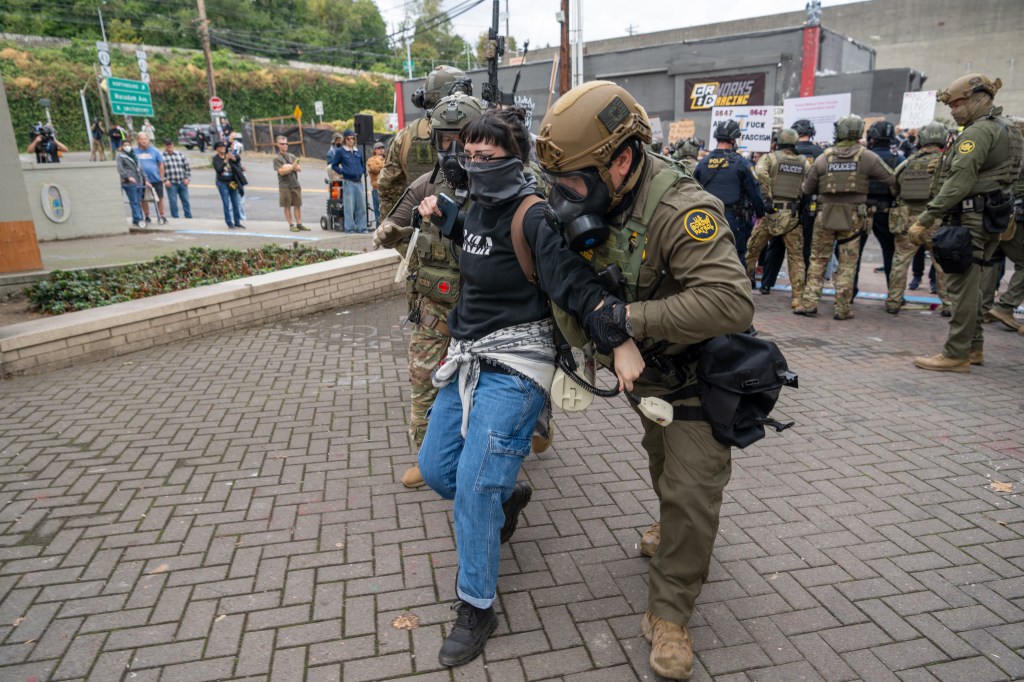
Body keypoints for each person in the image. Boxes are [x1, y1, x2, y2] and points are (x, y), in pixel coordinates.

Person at [535, 81, 755, 680]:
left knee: (691, 493)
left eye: (574, 184)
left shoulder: (681, 211)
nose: (564, 196)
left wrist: (625, 320)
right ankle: (669, 525)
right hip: (645, 380)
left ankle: (671, 613)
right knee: (661, 462)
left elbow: (731, 304)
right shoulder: (594, 194)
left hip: (693, 379)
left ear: (622, 161)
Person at [417, 105, 644, 668]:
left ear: (515, 160)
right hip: (467, 354)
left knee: (471, 488)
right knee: (436, 470)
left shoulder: (535, 216)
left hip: (518, 364)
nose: (473, 165)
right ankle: (509, 496)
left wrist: (618, 337)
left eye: (486, 157)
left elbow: (573, 283)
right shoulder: (472, 205)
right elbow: (472, 238)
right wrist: (441, 214)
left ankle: (476, 606)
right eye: (467, 156)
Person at [372, 92, 486, 489]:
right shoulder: (427, 183)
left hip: (488, 309)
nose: (454, 150)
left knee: (501, 384)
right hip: (436, 306)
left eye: (463, 139)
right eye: (444, 140)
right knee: (423, 381)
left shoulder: (501, 182)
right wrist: (392, 232)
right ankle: (426, 455)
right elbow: (393, 223)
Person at [909, 74, 1024, 372]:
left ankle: (956, 354)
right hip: (992, 217)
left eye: (957, 105)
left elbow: (959, 183)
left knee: (961, 288)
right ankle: (973, 348)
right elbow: (991, 172)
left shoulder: (977, 133)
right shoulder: (1008, 128)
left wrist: (924, 219)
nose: (954, 111)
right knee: (974, 287)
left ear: (977, 100)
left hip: (970, 219)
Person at [795, 114, 895, 320]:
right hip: (854, 217)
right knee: (848, 263)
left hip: (825, 215)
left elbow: (806, 188)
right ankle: (843, 307)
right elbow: (890, 178)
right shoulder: (867, 157)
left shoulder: (824, 157)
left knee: (818, 260)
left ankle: (809, 303)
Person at [378, 65, 472, 216]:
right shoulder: (480, 132)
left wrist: (395, 230)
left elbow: (388, 187)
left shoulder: (405, 136)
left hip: (423, 229)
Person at [886, 121, 950, 315]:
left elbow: (893, 187)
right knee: (942, 263)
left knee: (900, 261)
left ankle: (893, 301)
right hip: (936, 219)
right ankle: (948, 304)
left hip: (908, 218)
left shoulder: (908, 162)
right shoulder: (948, 162)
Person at [746, 128, 810, 308]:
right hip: (792, 215)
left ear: (778, 141)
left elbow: (759, 172)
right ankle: (798, 297)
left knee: (752, 250)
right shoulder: (803, 162)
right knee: (796, 258)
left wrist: (767, 195)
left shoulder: (770, 158)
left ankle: (743, 288)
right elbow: (809, 183)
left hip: (771, 214)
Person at [693, 119, 766, 264]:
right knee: (735, 257)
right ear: (733, 139)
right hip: (733, 219)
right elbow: (754, 192)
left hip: (707, 216)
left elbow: (693, 190)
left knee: (708, 256)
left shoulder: (703, 163)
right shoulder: (741, 163)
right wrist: (760, 213)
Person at [981, 116, 1024, 334]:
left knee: (992, 261)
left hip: (994, 213)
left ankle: (984, 308)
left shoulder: (995, 152)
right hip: (1016, 217)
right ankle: (1006, 306)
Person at [856, 120, 904, 294]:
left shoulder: (862, 157)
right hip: (887, 211)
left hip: (862, 210)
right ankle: (894, 296)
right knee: (891, 253)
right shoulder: (898, 158)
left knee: (854, 253)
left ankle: (849, 293)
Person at [330, 130, 367, 233]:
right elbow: (334, 165)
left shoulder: (357, 151)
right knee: (349, 207)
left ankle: (362, 228)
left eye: (353, 138)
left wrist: (362, 171)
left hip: (358, 181)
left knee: (361, 206)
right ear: (344, 140)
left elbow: (362, 163)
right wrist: (343, 172)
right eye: (348, 138)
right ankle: (349, 228)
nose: (351, 140)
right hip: (348, 181)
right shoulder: (340, 151)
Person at [133, 133, 168, 226]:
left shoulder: (155, 151)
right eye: (141, 139)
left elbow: (161, 164)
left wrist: (161, 177)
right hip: (141, 180)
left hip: (155, 179)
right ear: (138, 140)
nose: (144, 140)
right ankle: (147, 216)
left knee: (159, 198)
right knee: (143, 199)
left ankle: (162, 215)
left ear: (148, 140)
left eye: (145, 138)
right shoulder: (134, 151)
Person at [272, 136, 306, 231]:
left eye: (286, 143)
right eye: (282, 144)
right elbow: (281, 172)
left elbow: (299, 169)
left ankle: (299, 224)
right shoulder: (276, 158)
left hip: (295, 183)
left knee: (297, 205)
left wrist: (288, 166)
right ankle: (291, 225)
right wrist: (292, 167)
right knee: (287, 206)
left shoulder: (292, 156)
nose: (285, 145)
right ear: (278, 145)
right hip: (284, 186)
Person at [212, 141, 245, 229]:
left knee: (235, 203)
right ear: (217, 149)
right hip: (222, 183)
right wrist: (225, 160)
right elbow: (218, 170)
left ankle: (237, 221)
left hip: (232, 182)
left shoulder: (229, 154)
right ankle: (229, 222)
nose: (222, 148)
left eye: (223, 146)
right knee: (226, 203)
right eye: (220, 147)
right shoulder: (216, 158)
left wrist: (234, 159)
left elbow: (237, 158)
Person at [116, 139, 145, 228]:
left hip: (138, 181)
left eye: (128, 145)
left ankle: (136, 219)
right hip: (129, 182)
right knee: (134, 201)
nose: (127, 146)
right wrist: (127, 177)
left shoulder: (135, 156)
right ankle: (139, 219)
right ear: (121, 147)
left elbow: (141, 169)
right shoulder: (120, 156)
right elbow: (120, 169)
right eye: (125, 145)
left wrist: (146, 180)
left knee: (138, 201)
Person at [162, 139, 192, 219]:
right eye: (167, 145)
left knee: (186, 200)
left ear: (173, 145)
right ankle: (175, 217)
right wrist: (165, 180)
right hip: (171, 183)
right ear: (164, 146)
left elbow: (187, 167)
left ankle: (188, 216)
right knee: (173, 202)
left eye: (170, 144)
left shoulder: (180, 154)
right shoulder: (161, 156)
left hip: (182, 181)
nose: (169, 146)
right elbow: (160, 170)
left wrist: (187, 178)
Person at [367, 141, 386, 225]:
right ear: (375, 150)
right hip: (377, 188)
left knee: (386, 211)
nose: (381, 150)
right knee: (378, 211)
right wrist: (383, 163)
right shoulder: (371, 160)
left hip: (387, 188)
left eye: (382, 148)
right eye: (379, 148)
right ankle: (378, 229)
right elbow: (374, 168)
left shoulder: (387, 158)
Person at [230, 133, 248, 221]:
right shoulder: (228, 153)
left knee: (241, 200)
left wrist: (241, 168)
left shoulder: (237, 155)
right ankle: (234, 218)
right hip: (232, 180)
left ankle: (242, 218)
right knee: (233, 200)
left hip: (239, 178)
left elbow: (237, 161)